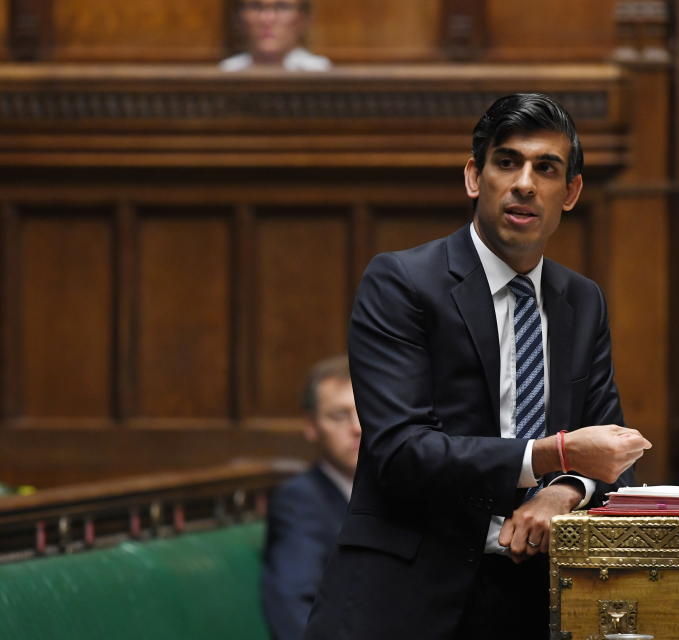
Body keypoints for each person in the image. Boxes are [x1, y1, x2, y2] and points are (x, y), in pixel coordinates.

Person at [304, 93, 653, 640]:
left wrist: (562, 491)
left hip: (535, 597)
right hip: (405, 600)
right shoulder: (402, 282)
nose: (524, 184)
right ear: (474, 177)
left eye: (546, 168)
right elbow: (398, 451)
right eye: (507, 162)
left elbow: (611, 453)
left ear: (571, 192)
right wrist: (551, 456)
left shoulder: (582, 302)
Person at [260, 356, 359, 640]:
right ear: (311, 426)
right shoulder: (300, 501)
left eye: (365, 412)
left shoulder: (399, 491)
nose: (357, 428)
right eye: (339, 416)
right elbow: (294, 613)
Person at [220, 0, 331, 72]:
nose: (267, 19)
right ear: (238, 17)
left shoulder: (318, 73)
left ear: (304, 18)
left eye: (282, 6)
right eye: (255, 6)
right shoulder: (227, 72)